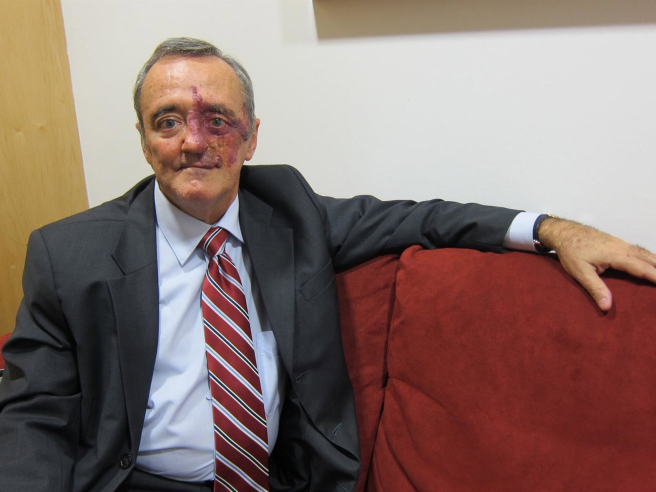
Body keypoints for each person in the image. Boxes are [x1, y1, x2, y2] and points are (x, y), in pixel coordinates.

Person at [0, 37, 654, 492]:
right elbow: (33, 414)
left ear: (252, 136)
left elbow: (422, 218)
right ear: (144, 140)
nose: (193, 142)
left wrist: (551, 229)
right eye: (167, 121)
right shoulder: (69, 254)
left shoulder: (290, 212)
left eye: (217, 120)